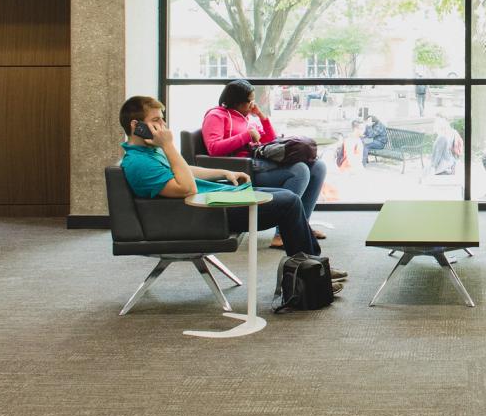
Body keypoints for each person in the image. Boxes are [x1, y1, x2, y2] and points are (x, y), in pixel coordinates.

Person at [118, 96, 343, 284]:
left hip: (212, 202)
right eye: (156, 121)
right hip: (206, 214)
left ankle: (314, 266)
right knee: (290, 202)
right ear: (135, 126)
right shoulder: (139, 163)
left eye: (163, 120)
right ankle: (313, 273)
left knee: (286, 196)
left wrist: (223, 173)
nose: (163, 127)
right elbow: (186, 187)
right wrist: (168, 145)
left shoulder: (149, 153)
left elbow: (184, 170)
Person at [202, 79, 332, 250]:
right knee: (299, 171)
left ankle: (302, 226)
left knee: (318, 167)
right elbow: (213, 148)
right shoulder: (216, 116)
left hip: (261, 162)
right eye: (249, 100)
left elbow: (270, 140)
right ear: (236, 101)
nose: (252, 104)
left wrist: (262, 117)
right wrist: (247, 136)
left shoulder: (247, 117)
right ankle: (282, 233)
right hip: (244, 168)